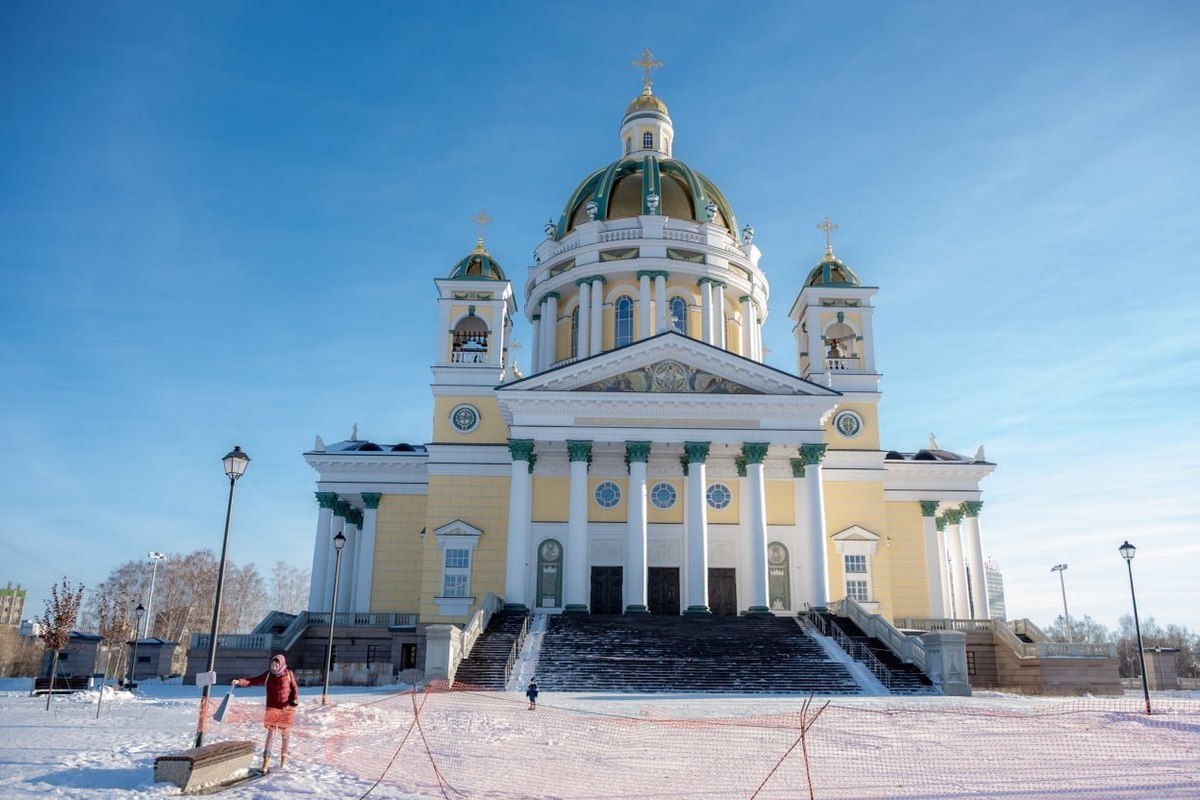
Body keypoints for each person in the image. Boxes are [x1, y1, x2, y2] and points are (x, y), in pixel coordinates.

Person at [233, 653, 299, 773]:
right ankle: (265, 763)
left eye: (276, 665)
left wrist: (294, 700)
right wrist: (240, 681)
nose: (273, 668)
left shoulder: (288, 674)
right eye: (272, 665)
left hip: (286, 709)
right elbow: (253, 681)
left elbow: (294, 688)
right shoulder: (268, 675)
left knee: (285, 735)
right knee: (271, 735)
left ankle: (283, 762)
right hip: (272, 709)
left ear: (281, 664)